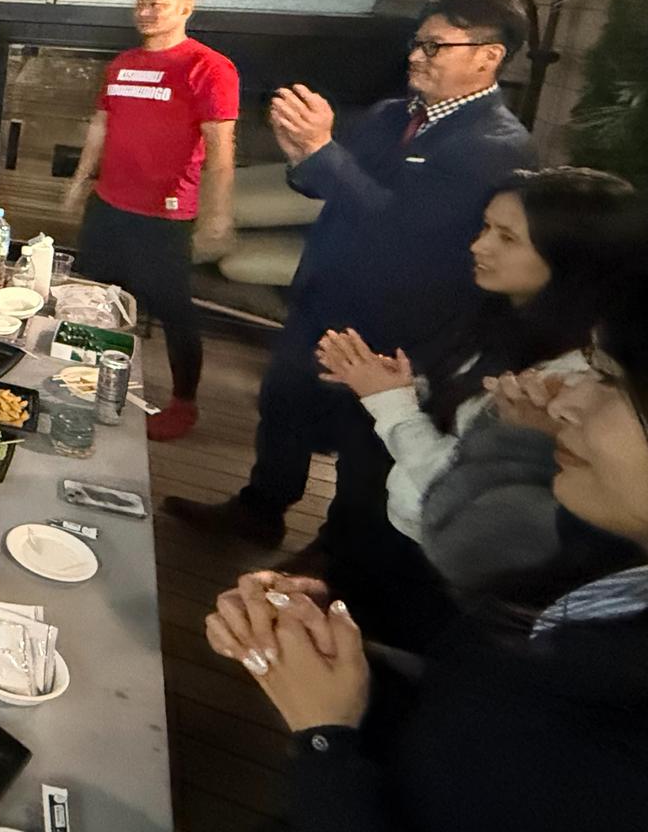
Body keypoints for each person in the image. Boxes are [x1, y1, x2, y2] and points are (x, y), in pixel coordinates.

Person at [202, 289, 648, 832]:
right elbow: (481, 718)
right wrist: (335, 649)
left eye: (613, 382)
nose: (565, 404)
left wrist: (327, 740)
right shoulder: (611, 571)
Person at [166, 0, 534, 573]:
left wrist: (322, 151)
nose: (417, 55)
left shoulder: (493, 144)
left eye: (435, 46)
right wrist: (303, 156)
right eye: (417, 42)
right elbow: (330, 187)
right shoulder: (391, 114)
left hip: (396, 320)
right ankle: (260, 508)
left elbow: (401, 227)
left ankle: (335, 554)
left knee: (364, 440)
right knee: (284, 404)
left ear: (488, 56)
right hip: (324, 297)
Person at [307, 167, 637, 634]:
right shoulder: (504, 315)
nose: (479, 246)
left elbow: (462, 488)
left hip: (442, 569)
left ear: (575, 256)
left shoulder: (574, 380)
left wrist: (390, 402)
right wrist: (402, 388)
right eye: (486, 227)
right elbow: (463, 417)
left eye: (508, 237)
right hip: (401, 531)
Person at [64, 0, 237, 442]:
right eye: (141, 1)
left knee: (173, 308)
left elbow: (220, 147)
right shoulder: (122, 64)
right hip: (109, 203)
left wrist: (218, 213)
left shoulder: (208, 66)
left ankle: (183, 403)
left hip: (165, 213)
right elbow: (101, 125)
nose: (145, 10)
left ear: (186, 9)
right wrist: (79, 181)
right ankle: (88, 382)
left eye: (156, 3)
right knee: (95, 299)